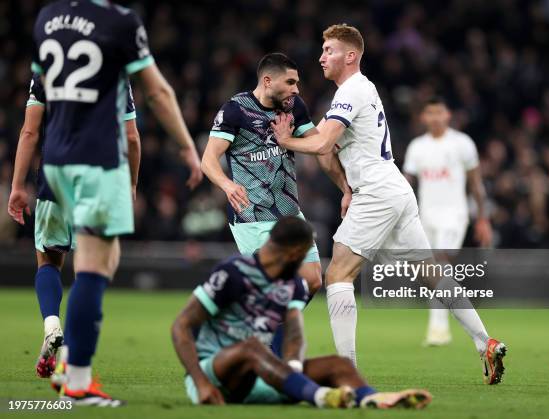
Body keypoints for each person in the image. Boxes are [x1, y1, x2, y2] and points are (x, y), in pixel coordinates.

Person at [271, 23, 506, 384]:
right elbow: (324, 148)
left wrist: (285, 141)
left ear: (350, 56)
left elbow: (319, 145)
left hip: (379, 193)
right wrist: (345, 189)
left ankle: (345, 369)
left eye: (329, 50)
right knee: (431, 272)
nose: (321, 57)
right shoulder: (358, 92)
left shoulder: (351, 90)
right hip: (394, 190)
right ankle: (484, 341)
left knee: (338, 275)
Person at [30, 0, 202, 405]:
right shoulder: (120, 21)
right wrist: (186, 148)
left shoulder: (47, 19)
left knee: (94, 260)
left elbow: (42, 98)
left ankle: (70, 362)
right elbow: (157, 91)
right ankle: (77, 380)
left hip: (55, 161)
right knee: (95, 265)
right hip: (98, 160)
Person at [171, 216, 432, 409]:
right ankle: (321, 397)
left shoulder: (293, 284)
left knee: (337, 365)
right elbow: (180, 326)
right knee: (251, 347)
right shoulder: (232, 272)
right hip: (214, 376)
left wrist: (293, 368)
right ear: (296, 252)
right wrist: (200, 382)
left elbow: (294, 335)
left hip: (261, 377)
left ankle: (372, 398)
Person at [200, 52, 351, 354]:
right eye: (291, 82)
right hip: (252, 214)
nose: (297, 89)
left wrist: (345, 188)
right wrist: (227, 184)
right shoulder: (235, 110)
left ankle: (260, 332)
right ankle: (269, 352)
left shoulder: (294, 107)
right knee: (277, 285)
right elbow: (208, 159)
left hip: (289, 212)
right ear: (268, 81)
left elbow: (320, 146)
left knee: (312, 280)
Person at [7, 74, 140, 379]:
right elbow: (131, 136)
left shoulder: (45, 67)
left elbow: (30, 132)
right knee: (89, 272)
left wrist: (16, 186)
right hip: (98, 182)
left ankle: (52, 324)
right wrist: (131, 183)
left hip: (54, 178)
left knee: (48, 260)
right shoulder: (116, 70)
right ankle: (74, 360)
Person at [403, 96, 492, 346]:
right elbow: (406, 183)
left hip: (455, 214)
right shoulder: (417, 147)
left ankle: (439, 329)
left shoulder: (462, 144)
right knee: (429, 270)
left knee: (440, 263)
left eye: (439, 112)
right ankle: (446, 327)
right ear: (423, 117)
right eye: (430, 113)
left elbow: (476, 183)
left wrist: (482, 218)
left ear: (448, 114)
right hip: (425, 215)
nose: (435, 117)